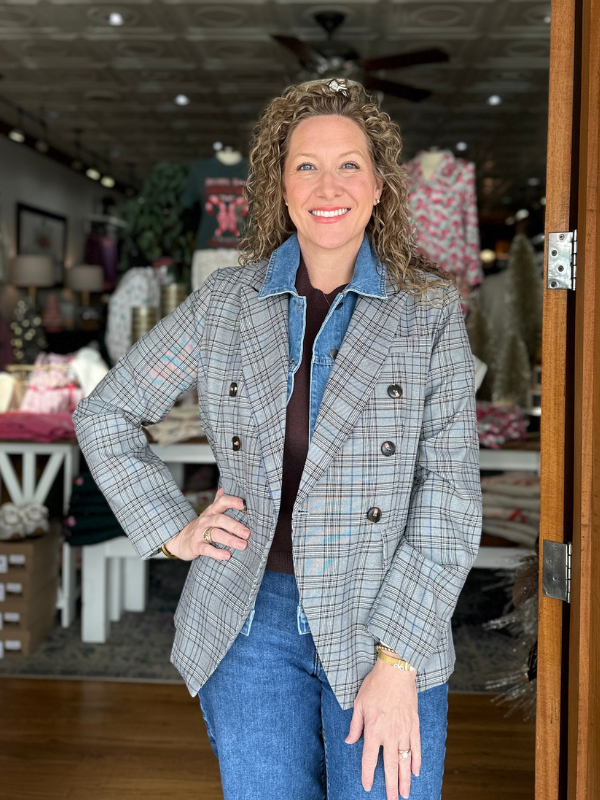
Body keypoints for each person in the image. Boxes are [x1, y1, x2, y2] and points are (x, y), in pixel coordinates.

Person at [73, 78, 482, 800]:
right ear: (281, 187)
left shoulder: (428, 312)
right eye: (306, 166)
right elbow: (106, 413)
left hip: (382, 619)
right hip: (248, 623)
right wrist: (171, 528)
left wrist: (399, 659)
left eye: (349, 164)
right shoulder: (227, 304)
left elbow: (449, 495)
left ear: (379, 186)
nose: (329, 186)